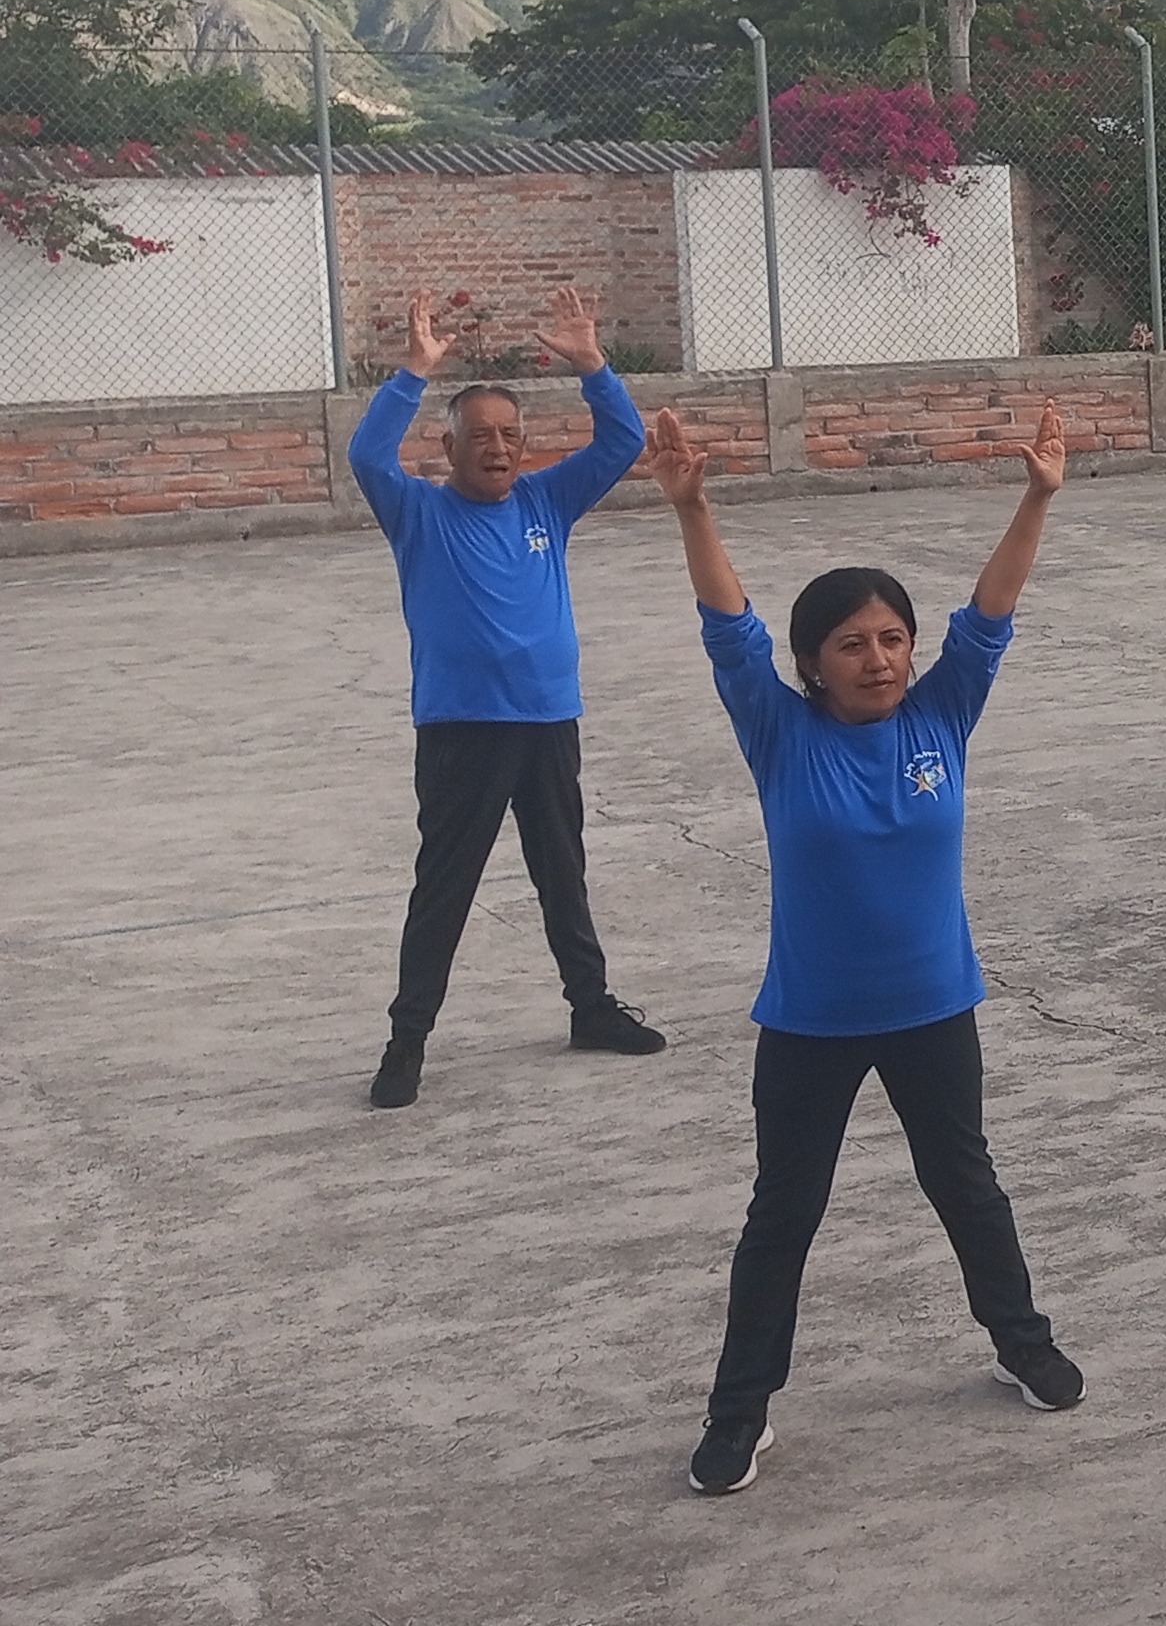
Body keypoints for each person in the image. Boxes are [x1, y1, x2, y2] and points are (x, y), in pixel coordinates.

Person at [648, 400, 1086, 1498]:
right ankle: (740, 1411)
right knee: (782, 1217)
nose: (879, 659)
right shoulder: (778, 731)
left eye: (892, 639)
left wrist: (1036, 497)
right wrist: (693, 508)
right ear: (811, 664)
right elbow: (727, 626)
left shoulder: (942, 716)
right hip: (810, 1022)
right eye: (852, 644)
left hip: (935, 1007)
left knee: (967, 1186)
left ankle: (1021, 1343)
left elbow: (990, 612)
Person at [348, 283, 667, 1110]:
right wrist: (413, 374)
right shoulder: (418, 511)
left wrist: (593, 364)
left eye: (511, 435)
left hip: (548, 719)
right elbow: (367, 457)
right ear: (448, 446)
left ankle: (591, 1008)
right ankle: (407, 1042)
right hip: (464, 730)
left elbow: (623, 440)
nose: (498, 448)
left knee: (563, 871)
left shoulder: (545, 500)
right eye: (481, 435)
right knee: (445, 887)